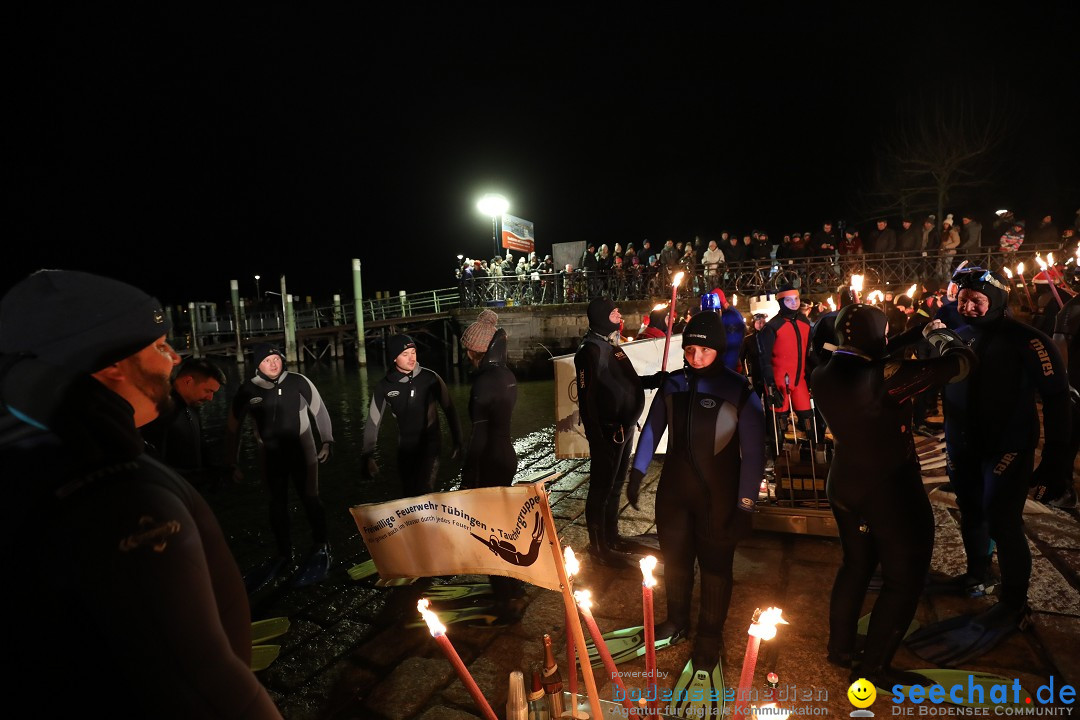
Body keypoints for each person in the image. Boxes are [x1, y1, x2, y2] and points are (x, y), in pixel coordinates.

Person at [0, 269, 281, 718]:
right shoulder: (114, 490)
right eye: (158, 345)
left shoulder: (33, 447)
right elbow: (199, 681)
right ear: (111, 363)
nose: (174, 358)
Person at [908, 269, 1072, 666]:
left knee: (1003, 520)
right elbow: (927, 374)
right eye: (963, 298)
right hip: (963, 442)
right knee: (971, 509)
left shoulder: (1028, 340)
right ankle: (977, 574)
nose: (968, 306)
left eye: (977, 300)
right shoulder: (955, 332)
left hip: (1008, 445)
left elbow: (1057, 400)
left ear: (997, 300)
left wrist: (1056, 462)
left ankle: (1015, 602)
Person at [811, 303, 976, 688]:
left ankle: (841, 648)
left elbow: (873, 355)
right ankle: (874, 669)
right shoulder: (884, 378)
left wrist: (911, 333)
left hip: (845, 484)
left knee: (855, 565)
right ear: (876, 339)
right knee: (904, 580)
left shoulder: (823, 372)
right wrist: (941, 336)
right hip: (889, 488)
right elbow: (962, 364)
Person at [628, 311, 765, 714]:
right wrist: (636, 473)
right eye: (689, 346)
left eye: (703, 347)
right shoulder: (672, 382)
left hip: (718, 498)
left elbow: (754, 454)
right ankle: (676, 619)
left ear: (718, 348)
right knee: (674, 560)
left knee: (716, 567)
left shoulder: (738, 390)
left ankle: (709, 635)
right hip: (673, 493)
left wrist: (745, 505)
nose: (695, 353)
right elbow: (652, 429)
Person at [226, 343, 335, 589]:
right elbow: (233, 429)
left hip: (303, 452)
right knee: (277, 504)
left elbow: (320, 411)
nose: (273, 363)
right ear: (258, 365)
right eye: (267, 360)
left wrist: (327, 440)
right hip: (270, 456)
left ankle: (321, 543)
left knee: (311, 498)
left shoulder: (298, 381)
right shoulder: (248, 389)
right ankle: (284, 553)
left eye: (276, 358)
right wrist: (231, 461)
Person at [575, 298, 665, 569]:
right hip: (607, 432)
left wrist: (651, 382)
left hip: (624, 430)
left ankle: (612, 535)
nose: (619, 314)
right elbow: (586, 399)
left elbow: (626, 380)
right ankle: (598, 545)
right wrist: (596, 439)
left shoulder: (611, 344)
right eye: (614, 312)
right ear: (603, 316)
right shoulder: (589, 351)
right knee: (600, 488)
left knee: (614, 487)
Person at [459, 309, 526, 621]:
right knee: (504, 529)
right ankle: (515, 589)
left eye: (467, 350)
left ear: (477, 350)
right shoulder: (507, 375)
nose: (465, 355)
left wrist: (467, 479)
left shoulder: (483, 383)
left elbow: (478, 436)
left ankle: (505, 602)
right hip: (507, 455)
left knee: (488, 536)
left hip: (489, 460)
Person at [361, 334, 463, 497]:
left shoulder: (430, 378)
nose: (411, 358)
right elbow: (373, 422)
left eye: (413, 352)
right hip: (406, 448)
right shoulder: (384, 387)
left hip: (430, 444)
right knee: (409, 495)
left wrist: (458, 441)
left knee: (424, 491)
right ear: (394, 358)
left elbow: (449, 409)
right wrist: (368, 456)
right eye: (405, 354)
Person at [141, 357, 228, 487]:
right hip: (170, 494)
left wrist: (216, 472)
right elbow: (152, 464)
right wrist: (201, 477)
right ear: (188, 381)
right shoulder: (160, 410)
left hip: (187, 492)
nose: (210, 398)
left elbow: (201, 446)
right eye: (208, 391)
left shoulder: (190, 408)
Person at [757, 285, 814, 442]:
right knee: (779, 426)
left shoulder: (805, 323)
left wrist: (812, 375)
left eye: (796, 299)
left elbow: (808, 353)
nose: (794, 303)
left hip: (799, 380)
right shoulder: (772, 327)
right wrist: (770, 385)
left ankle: (812, 455)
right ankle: (778, 456)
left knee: (808, 421)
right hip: (779, 382)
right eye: (789, 300)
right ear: (781, 302)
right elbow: (764, 359)